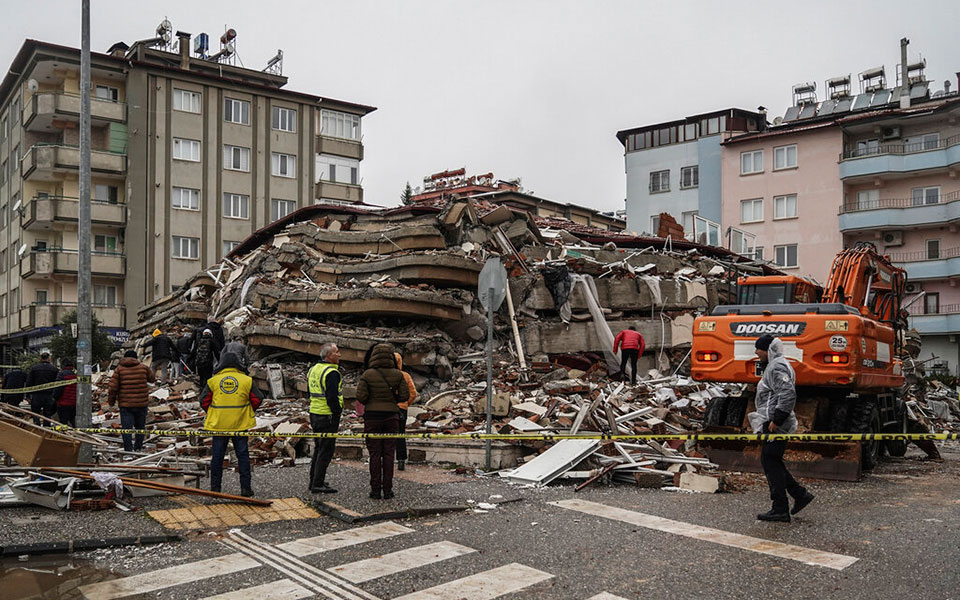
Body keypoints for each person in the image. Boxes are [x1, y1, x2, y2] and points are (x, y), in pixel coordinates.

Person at [751, 334, 814, 522]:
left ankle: (780, 507)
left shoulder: (777, 366)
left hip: (777, 423)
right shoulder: (776, 365)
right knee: (772, 460)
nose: (756, 352)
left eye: (759, 349)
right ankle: (799, 495)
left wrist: (776, 419)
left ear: (768, 350)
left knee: (770, 461)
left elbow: (787, 393)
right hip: (774, 421)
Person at [200, 352, 262, 497]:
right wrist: (247, 410)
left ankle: (215, 489)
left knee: (217, 457)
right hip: (240, 424)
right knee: (243, 456)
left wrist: (214, 412)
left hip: (219, 424)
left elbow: (203, 401)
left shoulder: (213, 381)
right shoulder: (247, 380)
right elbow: (258, 398)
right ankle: (246, 489)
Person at [356, 343, 409, 500]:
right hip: (391, 417)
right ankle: (388, 490)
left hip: (372, 417)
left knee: (374, 454)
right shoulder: (398, 375)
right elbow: (404, 397)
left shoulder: (367, 374)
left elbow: (361, 397)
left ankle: (375, 490)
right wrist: (392, 398)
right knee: (388, 454)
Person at [307, 343, 342, 494]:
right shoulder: (331, 373)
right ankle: (318, 483)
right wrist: (337, 412)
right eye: (337, 352)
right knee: (326, 450)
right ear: (329, 356)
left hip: (314, 412)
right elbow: (332, 397)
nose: (339, 355)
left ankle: (314, 480)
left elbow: (310, 391)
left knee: (318, 448)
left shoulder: (313, 369)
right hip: (327, 415)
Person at [107, 350, 155, 452]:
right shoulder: (144, 368)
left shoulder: (119, 369)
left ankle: (128, 450)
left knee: (126, 429)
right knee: (140, 427)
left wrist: (111, 402)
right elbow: (152, 379)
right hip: (141, 403)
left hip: (126, 405)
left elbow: (112, 388)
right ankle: (138, 448)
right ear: (136, 358)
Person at [394, 352, 418, 471]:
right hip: (401, 409)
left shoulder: (383, 375)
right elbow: (413, 393)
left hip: (387, 408)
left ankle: (384, 459)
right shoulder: (405, 376)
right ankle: (401, 460)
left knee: (385, 434)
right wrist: (405, 404)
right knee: (400, 434)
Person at [26, 352, 59, 424]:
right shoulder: (54, 369)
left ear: (40, 358)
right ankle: (46, 429)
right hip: (49, 395)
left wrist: (27, 395)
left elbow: (29, 382)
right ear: (49, 358)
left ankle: (37, 428)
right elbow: (57, 383)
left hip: (36, 394)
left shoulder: (34, 368)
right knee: (47, 413)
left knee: (35, 412)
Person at [52, 358, 78, 427]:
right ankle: (78, 435)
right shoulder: (77, 374)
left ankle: (65, 436)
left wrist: (55, 398)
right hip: (75, 403)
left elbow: (58, 389)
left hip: (64, 403)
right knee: (74, 421)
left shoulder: (62, 374)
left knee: (63, 423)